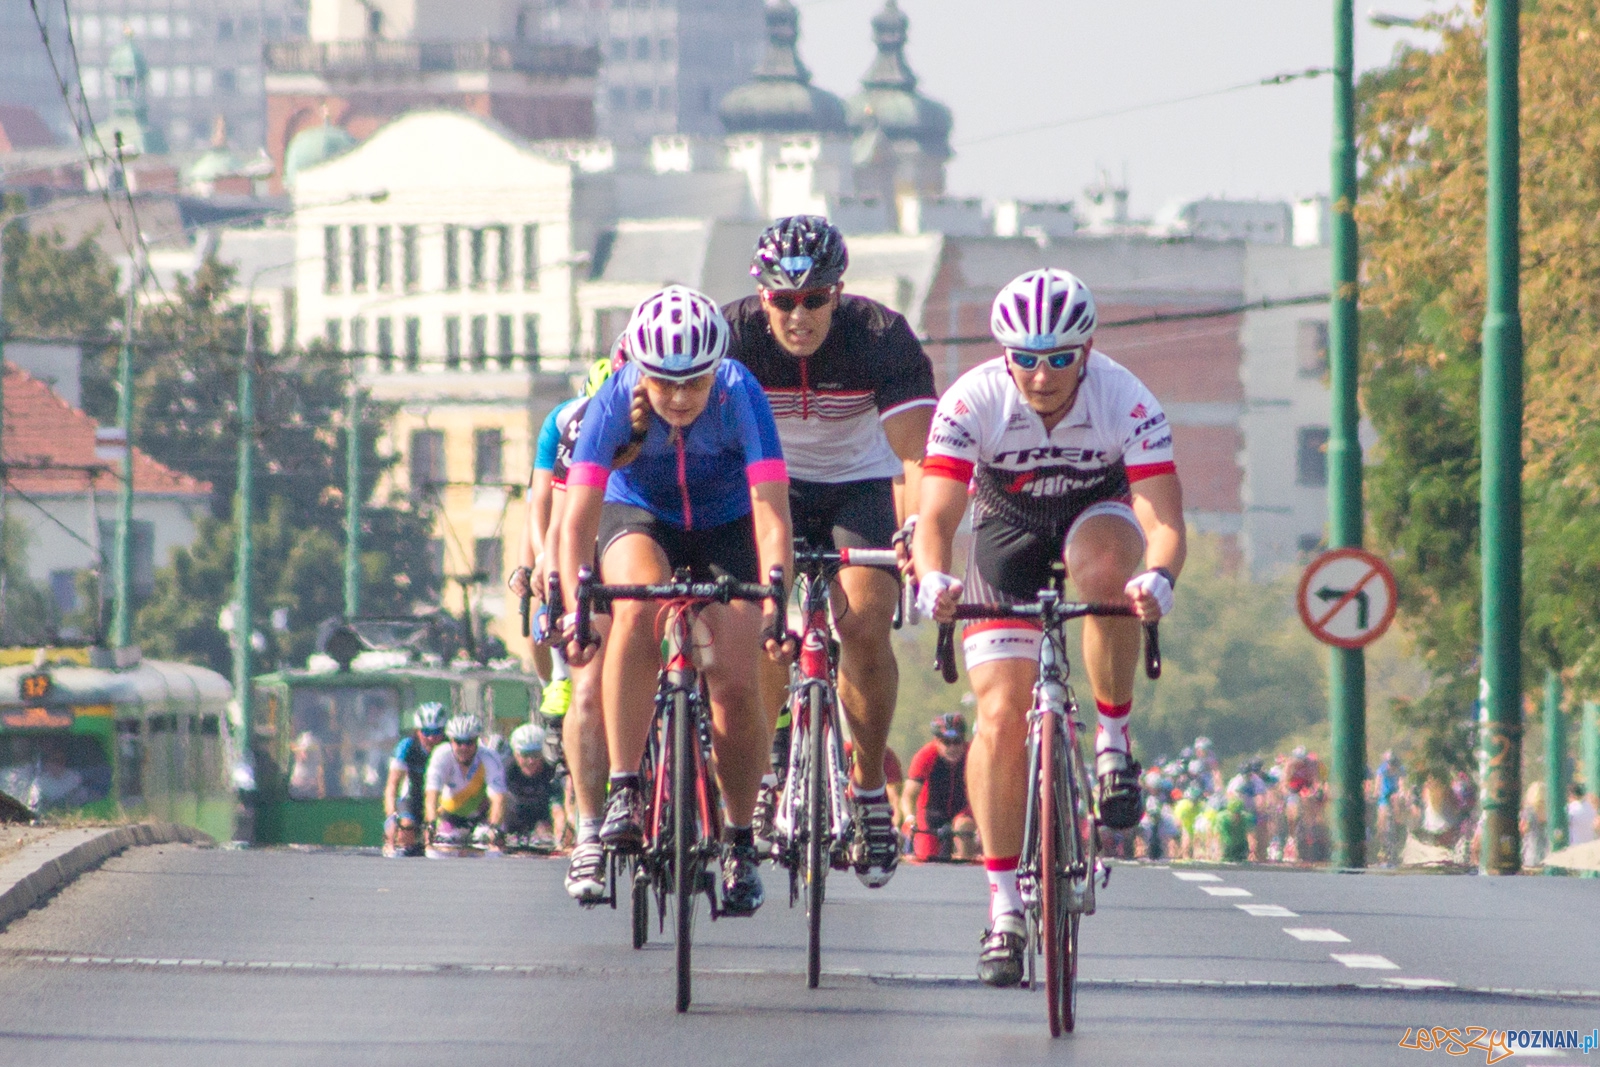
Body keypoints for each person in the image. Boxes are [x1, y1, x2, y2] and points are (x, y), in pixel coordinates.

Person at [911, 267, 1186, 987]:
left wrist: (1159, 576)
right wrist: (933, 577)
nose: (1040, 375)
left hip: (1099, 515)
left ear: (1086, 350)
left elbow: (1163, 518)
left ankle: (1113, 739)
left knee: (1106, 571)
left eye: (1059, 358)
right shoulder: (972, 399)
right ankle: (1003, 907)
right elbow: (936, 515)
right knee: (1001, 718)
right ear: (1005, 354)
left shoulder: (1126, 397)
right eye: (1025, 358)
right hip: (1007, 527)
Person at [559, 285, 794, 917]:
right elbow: (577, 517)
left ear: (717, 368)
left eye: (695, 381)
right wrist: (575, 603)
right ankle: (624, 787)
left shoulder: (741, 392)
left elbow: (772, 513)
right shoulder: (614, 397)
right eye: (665, 382)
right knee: (636, 607)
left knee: (736, 684)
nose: (682, 397)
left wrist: (777, 600)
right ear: (642, 370)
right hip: (640, 515)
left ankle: (739, 839)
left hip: (727, 525)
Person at [724, 216, 937, 888]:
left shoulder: (880, 336)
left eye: (814, 299)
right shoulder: (732, 337)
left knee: (867, 624)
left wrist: (915, 532)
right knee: (763, 629)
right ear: (761, 296)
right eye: (783, 301)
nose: (799, 316)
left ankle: (869, 789)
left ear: (838, 292)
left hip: (857, 487)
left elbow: (917, 456)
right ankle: (766, 777)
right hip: (769, 489)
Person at [523, 352, 625, 901]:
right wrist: (541, 569)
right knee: (585, 678)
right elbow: (546, 511)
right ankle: (589, 830)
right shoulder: (569, 423)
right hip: (583, 532)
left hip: (646, 529)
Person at [901, 714, 978, 862]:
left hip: (962, 810)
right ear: (937, 741)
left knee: (964, 827)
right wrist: (909, 817)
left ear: (964, 740)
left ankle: (966, 862)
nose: (952, 748)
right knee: (926, 856)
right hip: (931, 812)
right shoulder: (925, 756)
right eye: (946, 742)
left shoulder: (973, 755)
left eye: (957, 742)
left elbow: (986, 794)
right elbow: (909, 795)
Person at [424, 714, 507, 847]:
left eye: (469, 742)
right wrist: (431, 824)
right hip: (450, 817)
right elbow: (432, 795)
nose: (464, 747)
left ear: (477, 740)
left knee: (491, 844)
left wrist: (494, 828)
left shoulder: (490, 757)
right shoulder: (441, 755)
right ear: (451, 741)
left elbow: (498, 799)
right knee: (441, 847)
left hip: (482, 817)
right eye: (459, 742)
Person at [383, 701, 447, 856]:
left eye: (437, 732)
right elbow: (392, 786)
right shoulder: (407, 746)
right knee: (405, 829)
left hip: (442, 801)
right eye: (426, 732)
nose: (431, 738)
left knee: (442, 837)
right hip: (412, 799)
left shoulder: (449, 747)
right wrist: (391, 817)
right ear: (417, 731)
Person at [502, 723, 566, 845]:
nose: (531, 761)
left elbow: (558, 809)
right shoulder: (506, 769)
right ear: (515, 754)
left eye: (536, 755)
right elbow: (497, 801)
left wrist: (560, 837)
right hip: (513, 820)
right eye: (525, 755)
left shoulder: (551, 771)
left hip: (542, 820)